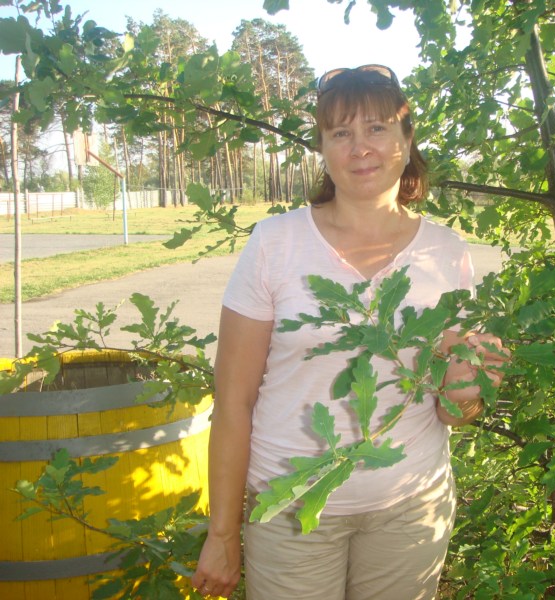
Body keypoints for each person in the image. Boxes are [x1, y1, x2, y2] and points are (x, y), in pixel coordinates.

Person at [191, 64, 506, 600]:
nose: (360, 147)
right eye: (341, 133)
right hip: (291, 505)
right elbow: (233, 401)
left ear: (407, 139)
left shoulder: (447, 252)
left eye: (377, 128)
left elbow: (453, 411)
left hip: (411, 508)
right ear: (322, 148)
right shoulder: (275, 244)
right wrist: (222, 533)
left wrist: (466, 393)